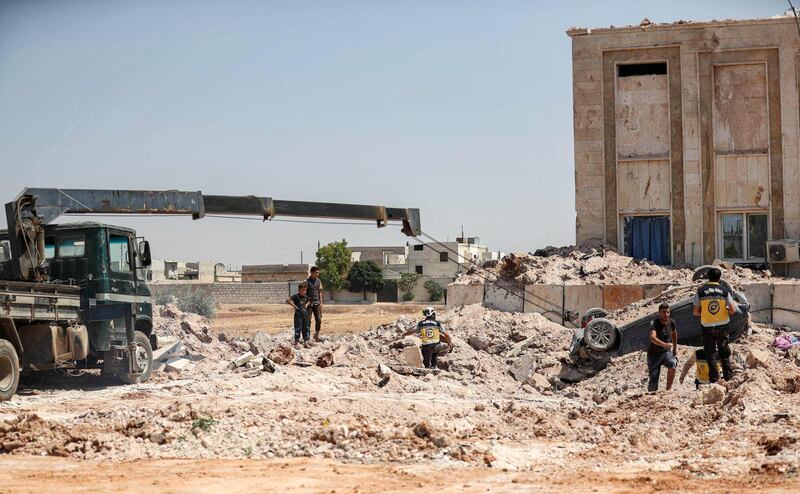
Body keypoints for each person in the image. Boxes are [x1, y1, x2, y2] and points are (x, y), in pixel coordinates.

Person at [693, 267, 737, 383]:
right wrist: (724, 311)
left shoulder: (701, 291)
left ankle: (714, 379)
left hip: (707, 326)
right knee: (724, 351)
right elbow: (732, 310)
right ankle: (728, 377)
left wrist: (706, 313)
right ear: (719, 278)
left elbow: (695, 312)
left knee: (710, 353)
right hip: (722, 326)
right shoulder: (724, 290)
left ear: (708, 277)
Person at [647, 303, 678, 392]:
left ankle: (668, 390)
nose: (666, 315)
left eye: (668, 312)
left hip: (665, 353)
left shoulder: (671, 322)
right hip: (654, 355)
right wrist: (663, 344)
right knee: (653, 383)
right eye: (663, 312)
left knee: (673, 364)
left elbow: (674, 334)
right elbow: (652, 338)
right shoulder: (654, 323)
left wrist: (675, 348)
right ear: (659, 313)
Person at [286, 282, 311, 347]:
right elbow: (288, 300)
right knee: (298, 328)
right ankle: (296, 342)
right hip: (298, 315)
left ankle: (305, 343)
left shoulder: (305, 296)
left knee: (306, 328)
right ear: (299, 290)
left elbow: (309, 300)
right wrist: (294, 306)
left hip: (305, 315)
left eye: (305, 290)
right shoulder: (296, 296)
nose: (305, 291)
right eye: (303, 290)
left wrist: (306, 305)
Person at [306, 266, 324, 342]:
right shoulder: (306, 282)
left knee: (319, 320)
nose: (318, 274)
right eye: (316, 273)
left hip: (317, 303)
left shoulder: (318, 281)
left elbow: (320, 292)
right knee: (308, 320)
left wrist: (321, 303)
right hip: (309, 304)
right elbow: (303, 293)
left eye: (318, 273)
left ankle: (316, 336)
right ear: (312, 272)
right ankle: (307, 337)